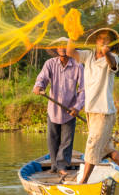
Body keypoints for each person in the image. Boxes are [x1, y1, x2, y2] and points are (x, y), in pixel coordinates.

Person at [66, 28, 119, 184]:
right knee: (107, 149)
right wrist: (72, 36)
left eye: (107, 39)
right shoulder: (88, 56)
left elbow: (112, 65)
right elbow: (70, 52)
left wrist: (106, 53)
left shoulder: (113, 57)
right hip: (91, 110)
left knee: (92, 146)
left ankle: (83, 182)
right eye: (100, 38)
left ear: (111, 43)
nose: (103, 41)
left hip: (104, 112)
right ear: (96, 41)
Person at [33, 37, 84, 176]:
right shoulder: (50, 63)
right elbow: (42, 78)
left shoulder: (78, 66)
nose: (62, 48)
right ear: (56, 49)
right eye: (59, 46)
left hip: (70, 109)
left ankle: (62, 166)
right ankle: (55, 166)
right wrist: (38, 86)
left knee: (67, 140)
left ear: (70, 49)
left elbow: (83, 89)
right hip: (53, 109)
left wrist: (77, 107)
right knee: (53, 139)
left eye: (65, 46)